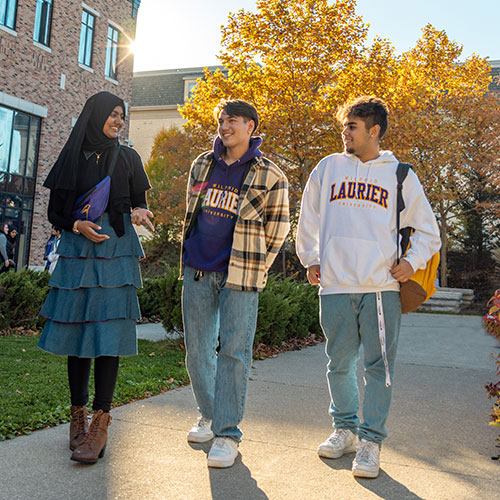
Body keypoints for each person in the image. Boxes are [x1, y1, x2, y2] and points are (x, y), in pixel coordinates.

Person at [296, 96, 441, 478]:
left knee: (379, 368)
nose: (345, 132)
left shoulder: (399, 175)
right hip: (336, 285)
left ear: (374, 131)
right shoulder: (327, 168)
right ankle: (344, 430)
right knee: (339, 363)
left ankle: (371, 441)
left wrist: (412, 261)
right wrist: (311, 257)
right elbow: (307, 218)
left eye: (352, 126)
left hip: (380, 287)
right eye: (345, 126)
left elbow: (429, 230)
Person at [38, 91, 154, 464]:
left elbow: (140, 200)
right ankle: (78, 418)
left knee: (106, 335)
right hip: (77, 246)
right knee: (77, 333)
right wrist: (76, 224)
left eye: (122, 115)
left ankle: (100, 424)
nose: (119, 121)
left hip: (114, 251)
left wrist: (139, 212)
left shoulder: (129, 157)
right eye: (113, 114)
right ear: (97, 115)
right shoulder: (72, 155)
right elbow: (55, 211)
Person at [180, 99, 290, 468]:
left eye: (232, 121)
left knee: (234, 354)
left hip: (240, 275)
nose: (224, 126)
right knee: (197, 351)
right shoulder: (202, 164)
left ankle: (228, 434)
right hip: (197, 270)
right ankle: (210, 415)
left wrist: (255, 266)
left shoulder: (270, 174)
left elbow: (278, 230)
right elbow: (191, 212)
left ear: (250, 126)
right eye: (221, 121)